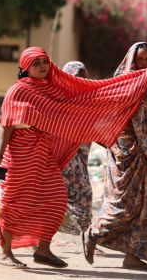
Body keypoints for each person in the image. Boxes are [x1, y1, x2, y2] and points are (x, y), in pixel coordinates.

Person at [0, 47, 147, 269]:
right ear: (25, 68)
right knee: (14, 204)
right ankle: (6, 253)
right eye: (35, 63)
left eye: (44, 62)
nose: (42, 66)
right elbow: (7, 125)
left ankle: (43, 249)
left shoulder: (51, 90)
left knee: (56, 199)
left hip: (43, 154)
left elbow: (78, 106)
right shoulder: (18, 91)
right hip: (20, 156)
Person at [82, 42, 147, 271]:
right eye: (140, 60)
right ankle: (93, 233)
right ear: (131, 61)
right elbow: (107, 115)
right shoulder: (122, 84)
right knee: (124, 203)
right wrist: (121, 146)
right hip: (126, 151)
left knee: (143, 205)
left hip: (146, 153)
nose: (144, 65)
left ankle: (133, 256)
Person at [58, 61, 93, 236]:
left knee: (68, 198)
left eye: (84, 76)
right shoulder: (60, 100)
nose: (81, 80)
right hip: (66, 157)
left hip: (80, 157)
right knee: (83, 194)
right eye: (77, 77)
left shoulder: (88, 99)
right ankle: (87, 237)